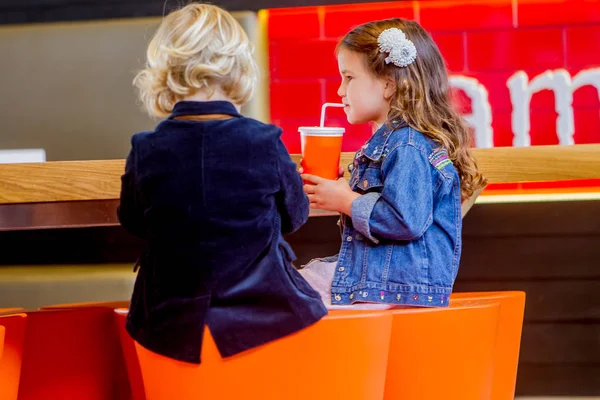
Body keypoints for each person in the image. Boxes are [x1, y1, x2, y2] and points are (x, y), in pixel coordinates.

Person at [118, 3, 326, 364]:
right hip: (267, 314)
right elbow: (295, 216)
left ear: (165, 71)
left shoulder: (145, 147)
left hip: (168, 322)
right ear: (240, 69)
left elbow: (134, 221)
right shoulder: (264, 141)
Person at [300, 18, 487, 309]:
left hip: (391, 286)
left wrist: (348, 201)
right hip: (389, 280)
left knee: (289, 291)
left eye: (349, 77)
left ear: (388, 85)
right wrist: (341, 192)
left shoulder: (406, 144)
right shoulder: (401, 141)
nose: (340, 90)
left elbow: (404, 219)